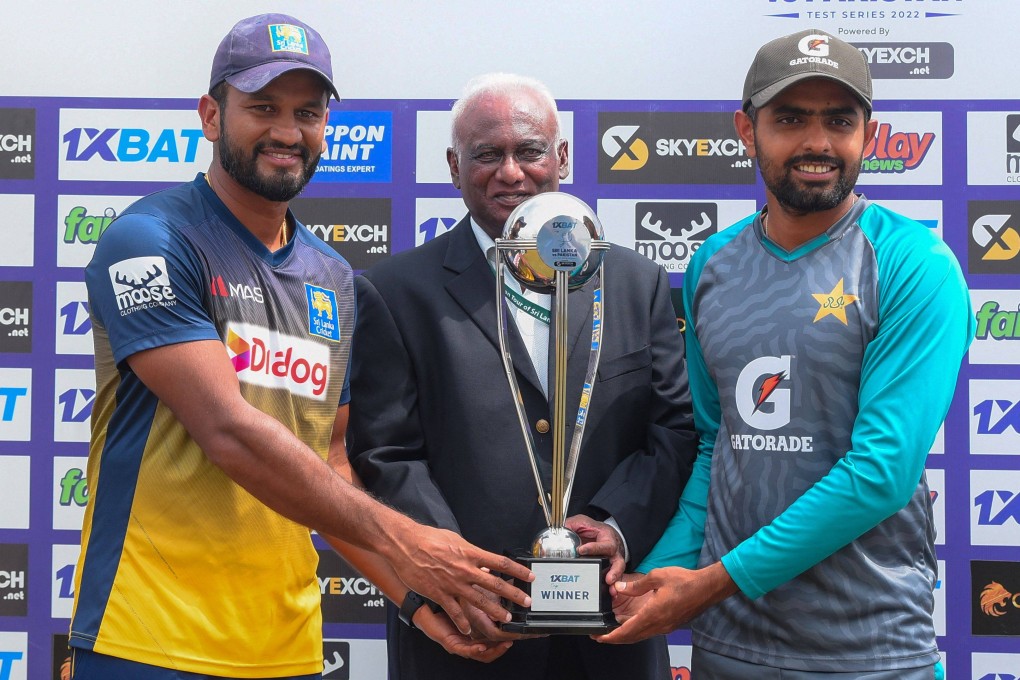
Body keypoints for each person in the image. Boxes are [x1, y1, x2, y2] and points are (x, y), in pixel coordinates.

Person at [70, 16, 532, 680]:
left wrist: (414, 599)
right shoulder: (148, 240)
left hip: (286, 648)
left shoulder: (334, 277)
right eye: (263, 108)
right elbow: (228, 430)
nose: (287, 132)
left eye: (307, 113)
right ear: (210, 115)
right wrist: (407, 539)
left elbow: (331, 465)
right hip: (148, 640)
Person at [596, 29, 974, 679]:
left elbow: (882, 473)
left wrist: (710, 583)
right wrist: (657, 574)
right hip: (727, 648)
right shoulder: (713, 264)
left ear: (869, 135)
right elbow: (718, 445)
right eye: (791, 119)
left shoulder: (915, 265)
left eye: (840, 120)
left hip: (871, 651)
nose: (817, 142)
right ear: (747, 130)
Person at [346, 72, 699, 680]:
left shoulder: (633, 281)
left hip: (610, 629)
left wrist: (618, 526)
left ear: (561, 157)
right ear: (454, 167)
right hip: (467, 629)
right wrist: (453, 570)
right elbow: (386, 453)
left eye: (529, 151)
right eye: (487, 154)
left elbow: (673, 429)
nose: (510, 173)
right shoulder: (395, 291)